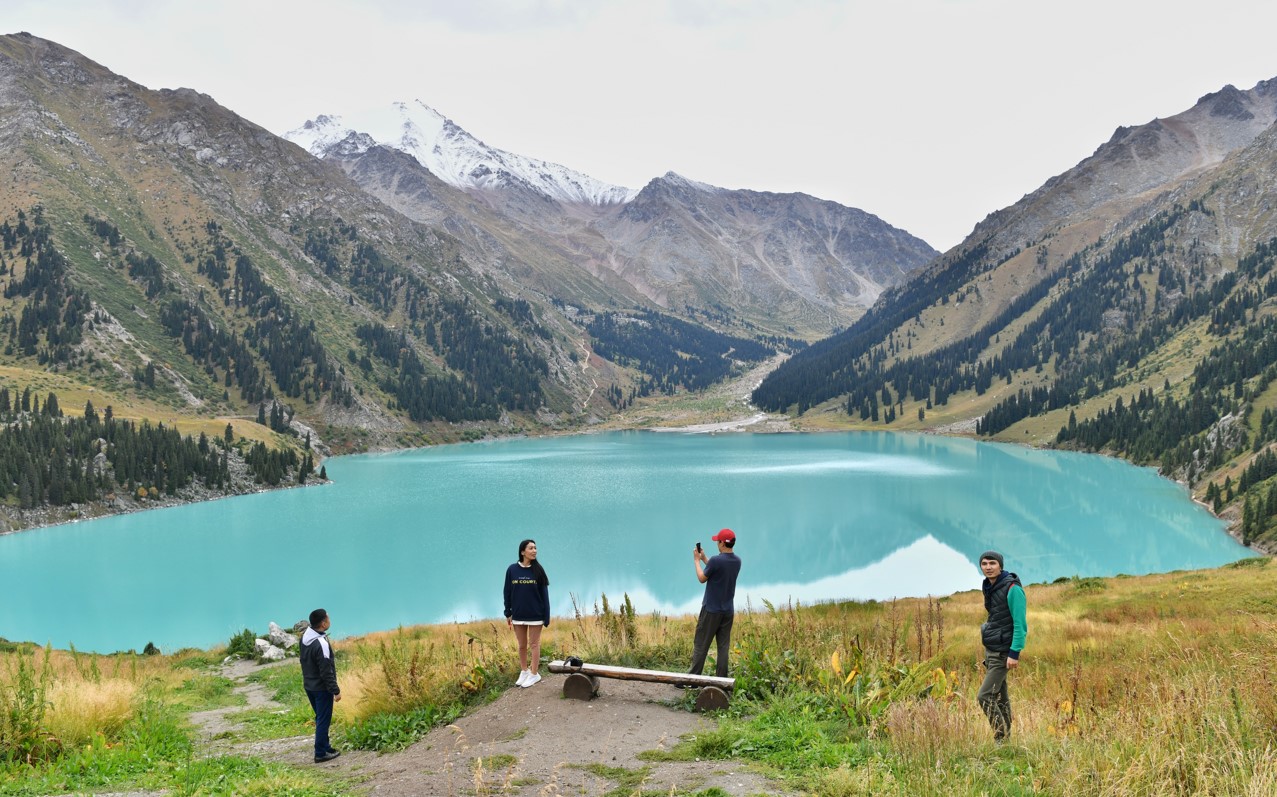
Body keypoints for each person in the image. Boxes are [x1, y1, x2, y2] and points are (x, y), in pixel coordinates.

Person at [977, 550, 1027, 742]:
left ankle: (1000, 737)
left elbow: (1020, 624)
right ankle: (1007, 740)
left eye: (992, 563)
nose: (988, 567)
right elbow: (996, 617)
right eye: (984, 564)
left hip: (1003, 652)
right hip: (991, 650)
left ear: (1000, 566)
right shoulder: (990, 587)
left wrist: (1014, 652)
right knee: (1000, 697)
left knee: (985, 696)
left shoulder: (1012, 588)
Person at [688, 528, 742, 679]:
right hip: (727, 611)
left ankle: (692, 679)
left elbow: (702, 577)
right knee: (723, 647)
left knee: (701, 644)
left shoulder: (716, 561)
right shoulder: (737, 561)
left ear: (722, 544)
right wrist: (705, 558)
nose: (717, 543)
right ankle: (721, 681)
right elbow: (716, 569)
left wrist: (697, 561)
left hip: (711, 611)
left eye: (718, 541)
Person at [504, 539, 550, 688]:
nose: (534, 550)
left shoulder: (538, 570)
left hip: (536, 615)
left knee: (534, 644)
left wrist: (546, 616)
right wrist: (508, 612)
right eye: (531, 548)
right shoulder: (512, 569)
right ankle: (524, 671)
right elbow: (507, 592)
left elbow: (545, 596)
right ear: (522, 551)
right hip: (518, 615)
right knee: (522, 645)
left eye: (535, 548)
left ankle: (534, 674)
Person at [299, 608, 342, 763]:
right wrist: (335, 691)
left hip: (309, 685)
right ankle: (320, 753)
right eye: (328, 619)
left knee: (320, 718)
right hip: (321, 688)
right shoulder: (320, 643)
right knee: (323, 719)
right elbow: (326, 670)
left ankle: (325, 746)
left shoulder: (305, 637)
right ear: (323, 624)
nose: (330, 620)